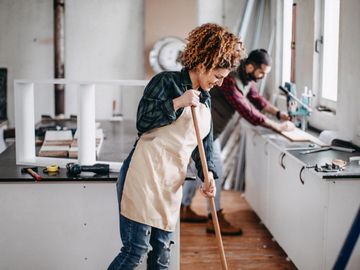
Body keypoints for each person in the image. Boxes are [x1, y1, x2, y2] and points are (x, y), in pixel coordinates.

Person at [107, 23, 244, 270]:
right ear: (204, 65)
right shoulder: (165, 82)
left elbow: (204, 144)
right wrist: (178, 102)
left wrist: (208, 175)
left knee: (161, 255)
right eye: (217, 76)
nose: (219, 83)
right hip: (144, 174)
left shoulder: (206, 98)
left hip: (171, 182)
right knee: (135, 250)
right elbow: (143, 121)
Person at [180, 49, 295, 235]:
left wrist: (280, 114)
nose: (262, 76)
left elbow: (257, 100)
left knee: (198, 170)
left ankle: (184, 209)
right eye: (261, 72)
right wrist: (277, 127)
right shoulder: (230, 79)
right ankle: (214, 219)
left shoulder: (246, 79)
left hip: (209, 133)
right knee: (215, 172)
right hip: (203, 132)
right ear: (250, 66)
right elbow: (246, 109)